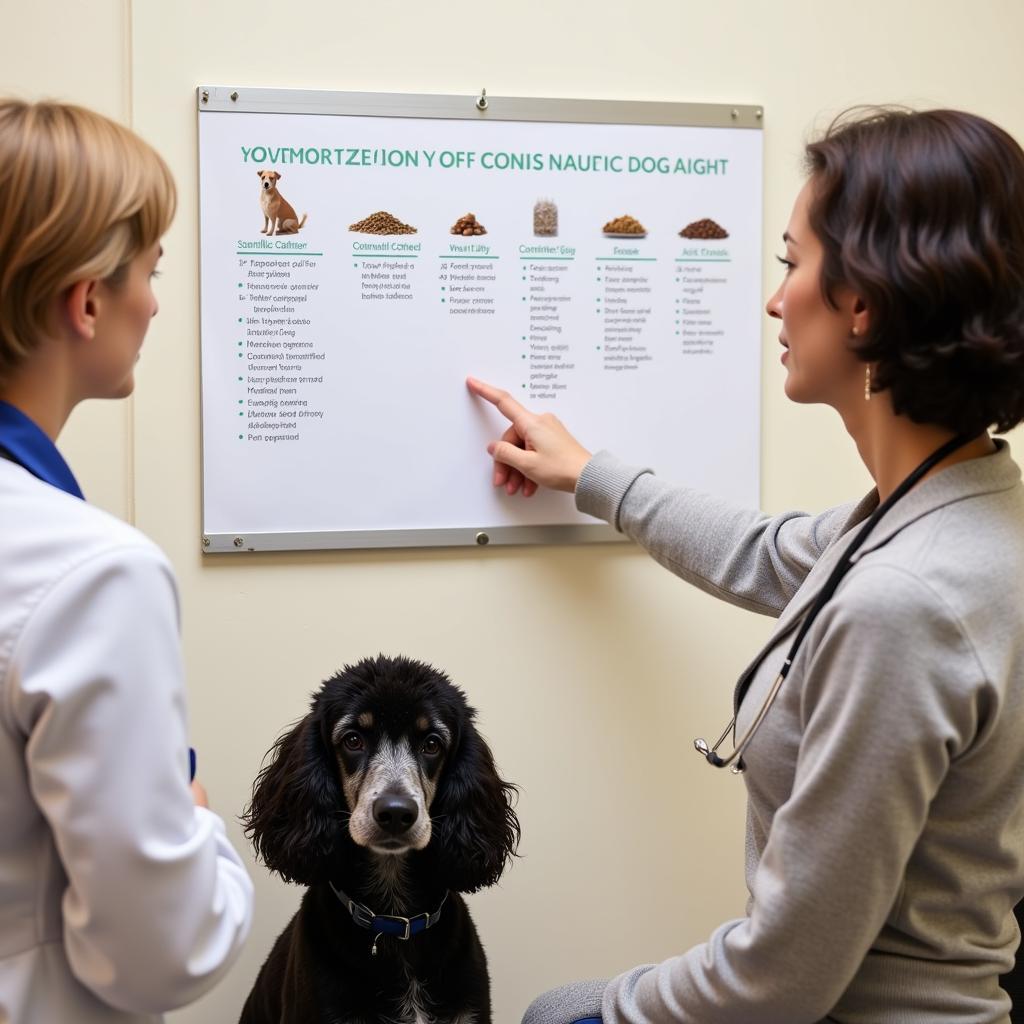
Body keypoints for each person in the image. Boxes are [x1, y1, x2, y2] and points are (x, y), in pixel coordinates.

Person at [469, 107, 1024, 1023]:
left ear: (863, 303)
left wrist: (600, 1007)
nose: (773, 300)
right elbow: (770, 554)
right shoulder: (961, 513)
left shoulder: (903, 601)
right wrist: (590, 474)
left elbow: (780, 979)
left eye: (790, 263)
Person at [0, 100, 253, 1023]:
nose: (154, 301)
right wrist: (191, 817)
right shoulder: (91, 574)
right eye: (149, 271)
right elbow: (159, 955)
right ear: (88, 300)